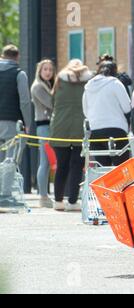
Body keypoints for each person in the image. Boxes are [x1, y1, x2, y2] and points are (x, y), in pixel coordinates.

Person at [50, 59, 93, 212]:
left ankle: (58, 200)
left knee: (61, 166)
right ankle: (73, 201)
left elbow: (52, 101)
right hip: (80, 129)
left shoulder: (60, 80)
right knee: (77, 166)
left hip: (59, 128)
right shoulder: (89, 82)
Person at [83, 61, 132, 167]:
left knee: (103, 171)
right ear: (115, 71)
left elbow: (86, 111)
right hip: (116, 131)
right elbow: (127, 107)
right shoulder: (115, 83)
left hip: (95, 132)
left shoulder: (88, 86)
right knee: (121, 168)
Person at [0, 45, 32, 162]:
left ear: (3, 55)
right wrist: (27, 123)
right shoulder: (19, 74)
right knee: (10, 164)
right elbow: (24, 102)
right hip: (12, 123)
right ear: (18, 57)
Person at [31, 59, 56, 208]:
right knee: (45, 161)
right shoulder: (38, 86)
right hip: (44, 126)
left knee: (47, 161)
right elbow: (52, 104)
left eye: (50, 70)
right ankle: (43, 196)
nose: (48, 72)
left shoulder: (47, 85)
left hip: (49, 126)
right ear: (39, 71)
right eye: (45, 69)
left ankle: (44, 195)